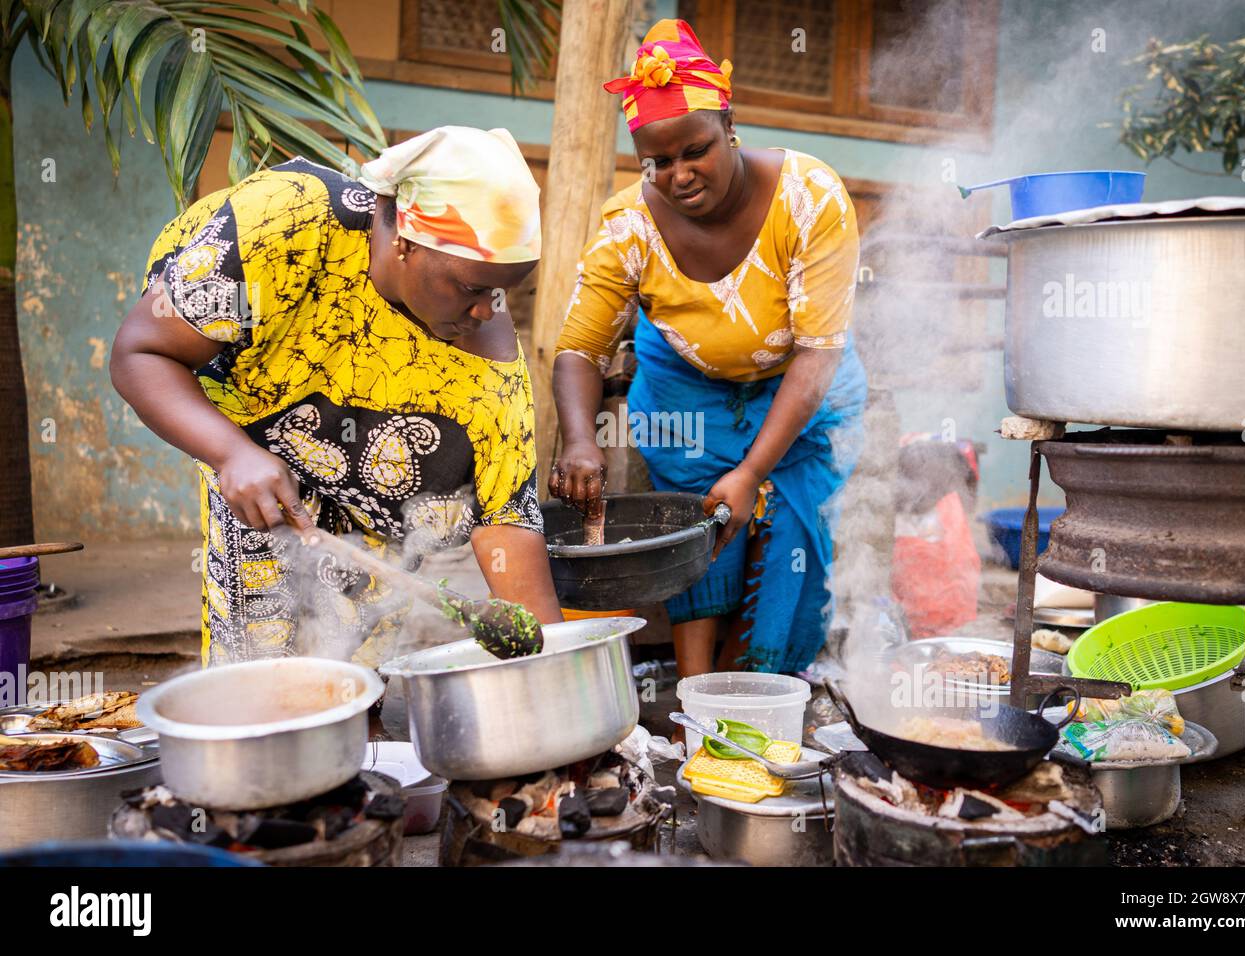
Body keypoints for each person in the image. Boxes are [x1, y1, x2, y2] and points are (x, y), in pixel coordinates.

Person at [112, 127, 563, 667]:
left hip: (372, 482)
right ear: (406, 240)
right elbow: (140, 355)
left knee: (357, 666)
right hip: (252, 423)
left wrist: (558, 672)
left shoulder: (493, 367)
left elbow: (507, 519)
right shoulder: (288, 223)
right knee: (263, 654)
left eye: (501, 291)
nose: (487, 311)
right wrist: (231, 454)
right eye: (472, 288)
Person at [550, 19, 867, 678]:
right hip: (683, 390)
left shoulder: (808, 199)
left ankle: (762, 681)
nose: (679, 175)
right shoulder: (628, 226)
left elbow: (816, 354)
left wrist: (752, 473)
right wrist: (578, 437)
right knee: (694, 528)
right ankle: (697, 696)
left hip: (800, 386)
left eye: (695, 150)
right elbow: (580, 349)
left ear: (730, 127)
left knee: (797, 539)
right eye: (657, 162)